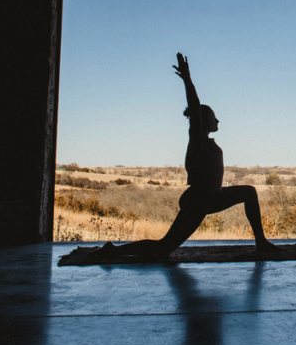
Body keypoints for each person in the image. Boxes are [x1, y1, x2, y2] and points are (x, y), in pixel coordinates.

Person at [98, 53, 280, 257]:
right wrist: (187, 79)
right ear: (203, 121)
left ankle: (261, 242)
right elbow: (194, 106)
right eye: (213, 117)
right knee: (163, 248)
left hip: (212, 197)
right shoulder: (198, 138)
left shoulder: (205, 141)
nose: (218, 120)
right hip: (200, 200)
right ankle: (112, 251)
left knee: (249, 192)